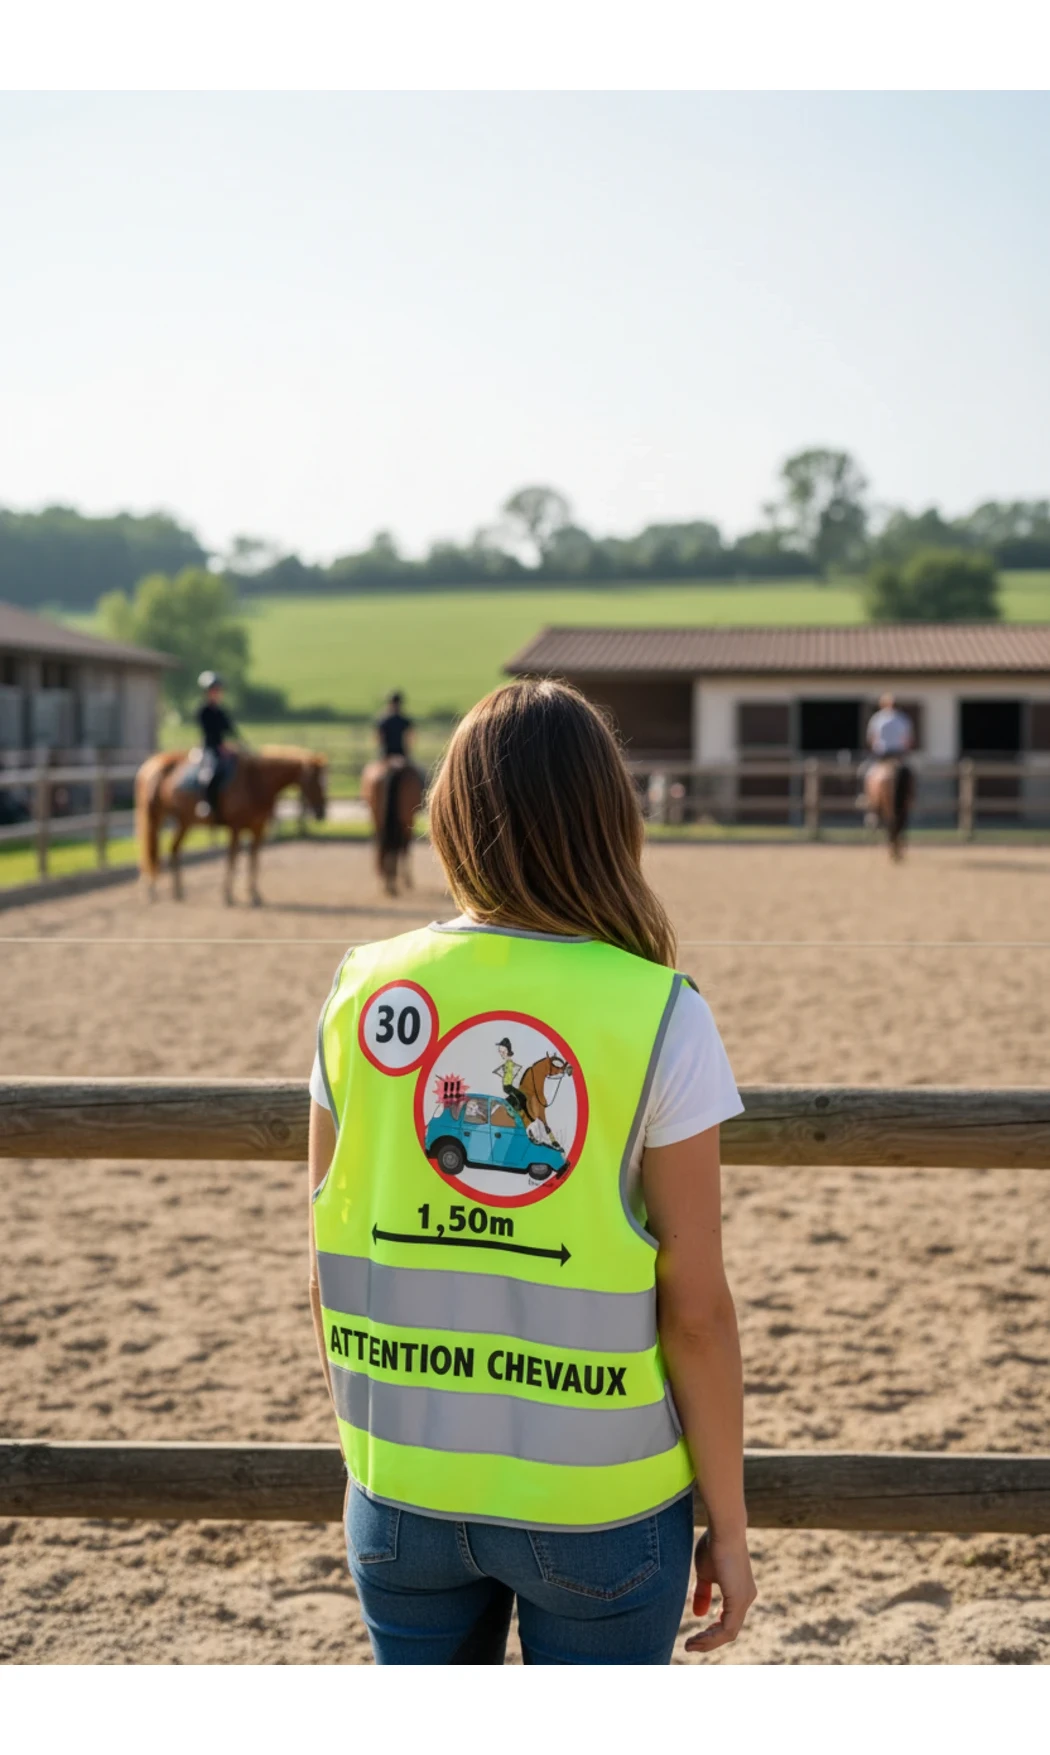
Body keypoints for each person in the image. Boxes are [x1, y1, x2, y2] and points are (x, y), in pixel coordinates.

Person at [307, 679, 755, 1665]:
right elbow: (695, 1311)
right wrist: (727, 1517)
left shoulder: (361, 991)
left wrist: (372, 1457)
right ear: (608, 818)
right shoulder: (659, 1011)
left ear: (452, 815)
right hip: (599, 1504)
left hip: (399, 1492)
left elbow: (327, 1258)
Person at [195, 671, 238, 822]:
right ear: (207, 692)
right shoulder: (203, 711)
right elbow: (208, 733)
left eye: (218, 690)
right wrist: (220, 747)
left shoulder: (221, 711)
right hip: (210, 748)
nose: (217, 693)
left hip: (223, 748)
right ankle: (207, 804)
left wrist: (238, 743)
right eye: (214, 690)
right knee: (211, 772)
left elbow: (231, 730)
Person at [375, 691, 414, 760]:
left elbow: (378, 737)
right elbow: (410, 737)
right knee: (420, 770)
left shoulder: (383, 720)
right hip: (401, 754)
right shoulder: (404, 720)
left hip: (386, 753)